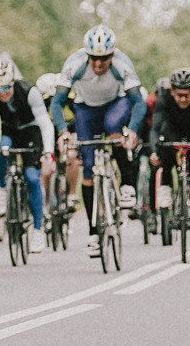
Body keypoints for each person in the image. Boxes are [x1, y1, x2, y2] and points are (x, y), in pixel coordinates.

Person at [58, 24, 144, 244]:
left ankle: (126, 185)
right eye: (93, 58)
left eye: (104, 58)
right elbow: (57, 102)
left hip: (116, 103)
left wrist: (132, 130)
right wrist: (62, 131)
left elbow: (138, 102)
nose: (98, 64)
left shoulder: (122, 64)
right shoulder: (74, 64)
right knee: (88, 170)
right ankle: (94, 231)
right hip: (86, 108)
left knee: (114, 126)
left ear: (112, 54)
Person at [0, 54, 55, 235]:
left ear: (14, 82)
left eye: (7, 87)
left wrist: (48, 151)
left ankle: (38, 228)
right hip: (6, 129)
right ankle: (2, 188)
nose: (3, 93)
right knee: (1, 148)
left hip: (29, 129)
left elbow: (45, 123)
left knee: (32, 177)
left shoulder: (28, 91)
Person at [147, 68, 190, 233]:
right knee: (163, 146)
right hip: (172, 131)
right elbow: (155, 129)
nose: (183, 99)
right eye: (179, 95)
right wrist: (154, 152)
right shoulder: (164, 97)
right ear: (172, 91)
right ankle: (165, 185)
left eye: (187, 95)